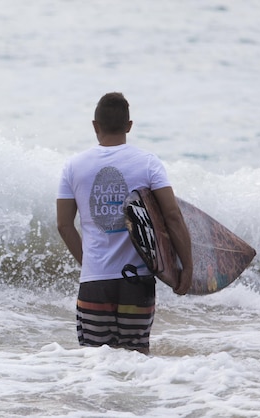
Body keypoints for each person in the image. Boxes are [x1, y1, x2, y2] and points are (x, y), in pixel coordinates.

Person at [56, 92, 192, 354]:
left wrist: (90, 264)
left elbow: (64, 224)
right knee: (137, 363)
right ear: (129, 126)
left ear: (95, 126)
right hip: (137, 281)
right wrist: (186, 267)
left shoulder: (73, 166)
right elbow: (172, 215)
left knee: (94, 364)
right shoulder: (148, 163)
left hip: (95, 283)